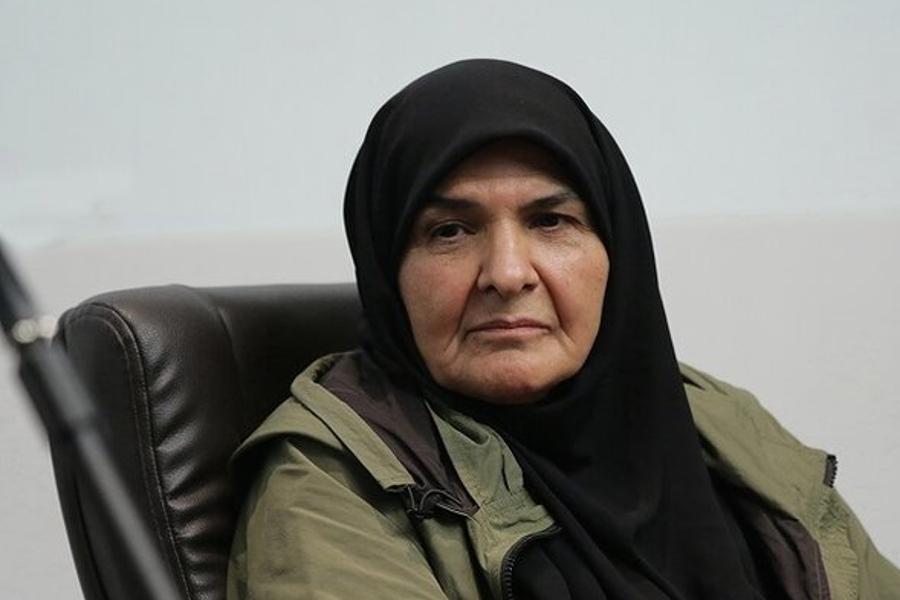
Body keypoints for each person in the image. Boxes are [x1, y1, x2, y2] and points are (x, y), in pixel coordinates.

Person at [226, 59, 899, 599]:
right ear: (387, 270)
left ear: (617, 252)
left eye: (550, 221)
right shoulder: (327, 484)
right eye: (450, 230)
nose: (507, 273)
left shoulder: (717, 424)